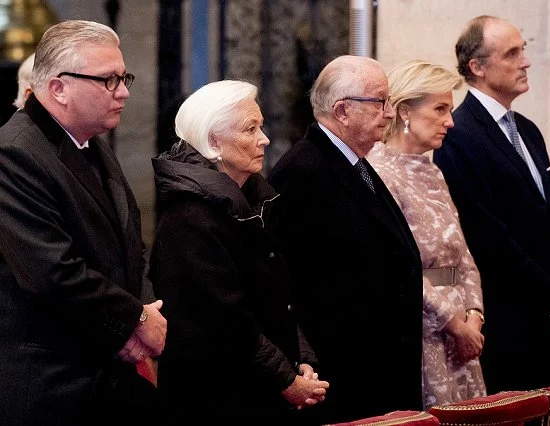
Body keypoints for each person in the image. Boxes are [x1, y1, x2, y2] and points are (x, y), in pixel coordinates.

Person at [0, 20, 167, 426]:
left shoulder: (88, 139)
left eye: (123, 77)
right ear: (58, 87)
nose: (124, 91)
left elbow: (132, 243)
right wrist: (136, 320)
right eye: (109, 80)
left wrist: (142, 308)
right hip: (53, 382)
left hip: (100, 367)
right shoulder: (15, 153)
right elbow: (52, 272)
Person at [148, 80, 329, 425]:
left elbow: (280, 297)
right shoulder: (190, 218)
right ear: (213, 142)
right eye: (250, 129)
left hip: (259, 387)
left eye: (261, 126)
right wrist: (287, 379)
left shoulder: (254, 201)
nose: (265, 139)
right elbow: (226, 322)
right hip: (218, 400)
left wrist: (302, 357)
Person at [433, 15, 550, 394]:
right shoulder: (459, 135)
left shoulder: (529, 131)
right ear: (478, 67)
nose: (526, 61)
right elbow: (489, 239)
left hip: (548, 325)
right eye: (512, 53)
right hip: (506, 327)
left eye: (524, 50)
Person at [267, 55, 424, 423]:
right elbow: (287, 283)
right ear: (342, 111)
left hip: (380, 369)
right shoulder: (302, 171)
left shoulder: (355, 161)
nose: (389, 113)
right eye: (380, 101)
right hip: (346, 377)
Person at [366, 59, 486, 409]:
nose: (450, 121)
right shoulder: (378, 172)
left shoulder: (433, 172)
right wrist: (453, 322)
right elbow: (395, 264)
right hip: (422, 332)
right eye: (440, 109)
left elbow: (463, 256)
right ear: (404, 111)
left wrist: (475, 315)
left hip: (462, 334)